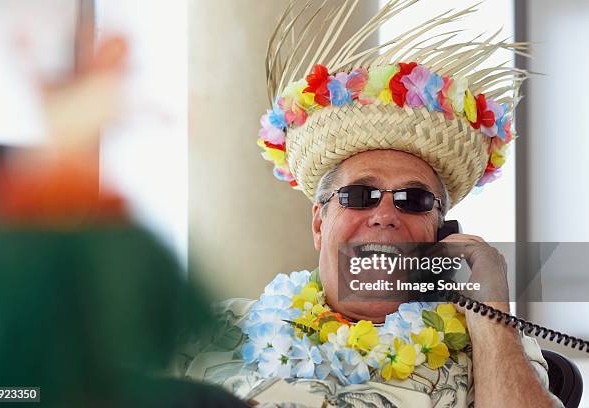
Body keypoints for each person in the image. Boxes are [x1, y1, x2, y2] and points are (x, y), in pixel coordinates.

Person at [179, 1, 562, 406]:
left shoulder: (491, 345)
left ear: (440, 235)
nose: (384, 216)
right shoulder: (218, 331)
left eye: (413, 200)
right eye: (358, 196)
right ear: (318, 223)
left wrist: (489, 305)